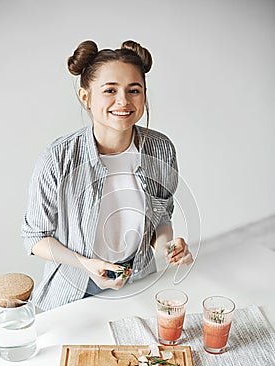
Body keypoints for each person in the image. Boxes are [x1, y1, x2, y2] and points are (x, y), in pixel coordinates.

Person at [22, 40, 193, 311]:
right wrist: (87, 264)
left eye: (133, 90)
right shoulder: (58, 157)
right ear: (85, 96)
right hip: (74, 290)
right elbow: (35, 237)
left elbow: (160, 217)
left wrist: (167, 247)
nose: (123, 101)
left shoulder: (160, 149)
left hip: (139, 282)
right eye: (110, 90)